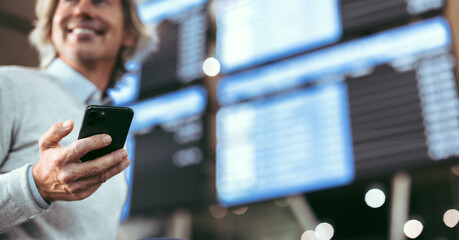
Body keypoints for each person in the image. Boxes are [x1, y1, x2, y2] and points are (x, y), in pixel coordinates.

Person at [0, 0, 155, 238]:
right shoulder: (7, 86)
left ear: (129, 34)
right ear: (51, 26)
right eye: (70, 0)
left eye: (100, 2)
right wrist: (37, 185)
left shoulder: (115, 138)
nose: (81, 9)